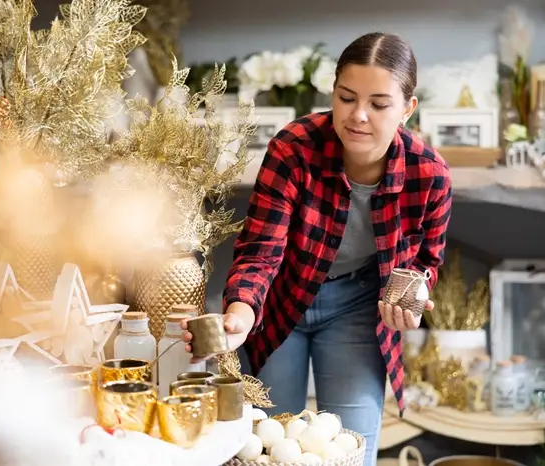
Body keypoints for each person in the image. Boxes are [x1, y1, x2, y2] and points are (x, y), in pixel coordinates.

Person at [182, 32, 452, 465]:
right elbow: (260, 249)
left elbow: (426, 261)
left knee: (349, 444)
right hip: (283, 298)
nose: (358, 115)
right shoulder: (295, 147)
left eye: (379, 104)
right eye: (347, 98)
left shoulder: (430, 173)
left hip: (360, 307)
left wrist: (413, 294)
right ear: (333, 92)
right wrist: (241, 313)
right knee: (268, 444)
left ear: (407, 109)